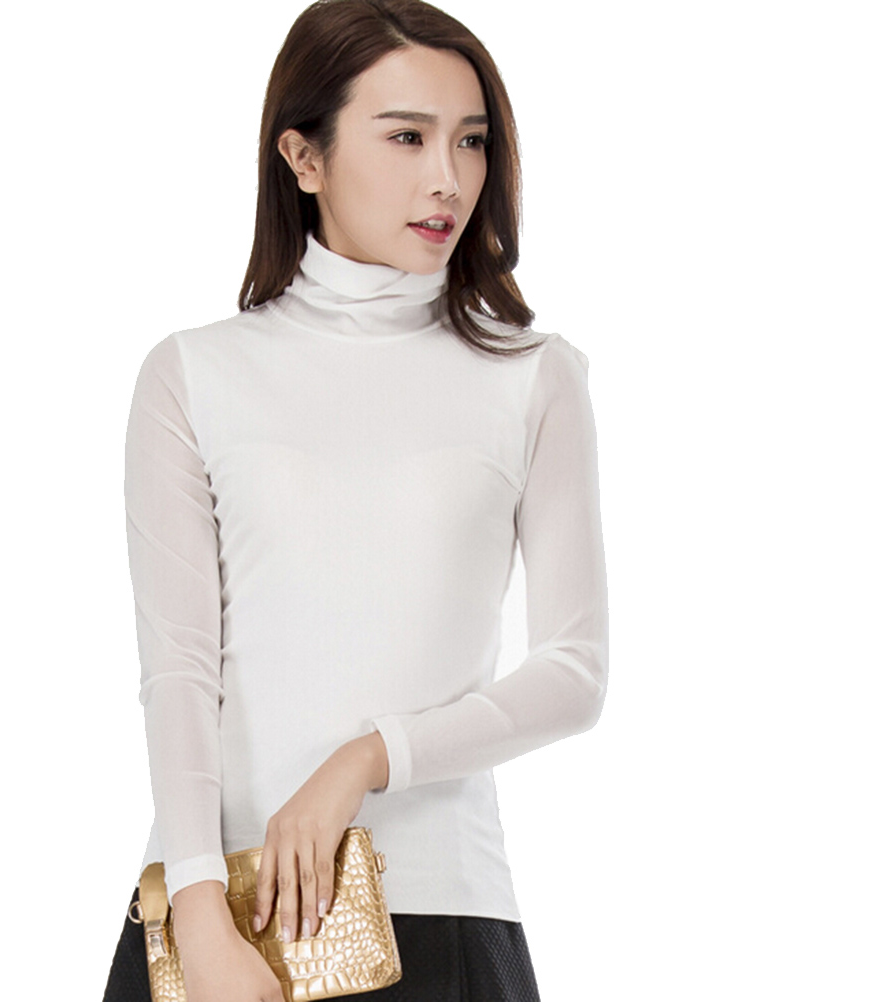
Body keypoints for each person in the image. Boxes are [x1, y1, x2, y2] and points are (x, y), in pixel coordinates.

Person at [102, 1, 609, 999]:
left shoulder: (534, 377)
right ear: (304, 157)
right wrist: (198, 910)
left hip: (441, 907)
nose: (447, 177)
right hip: (220, 916)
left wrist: (369, 758)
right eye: (407, 136)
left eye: (471, 140)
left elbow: (575, 672)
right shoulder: (193, 375)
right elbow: (178, 671)